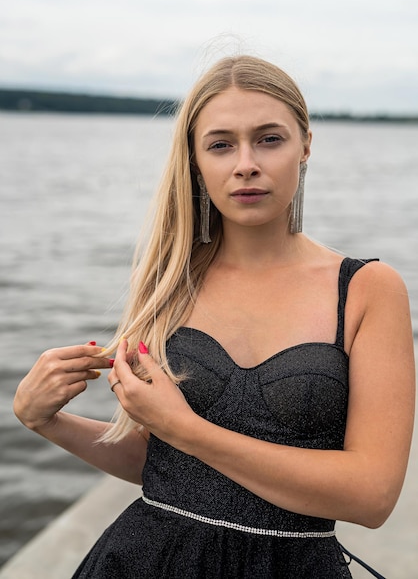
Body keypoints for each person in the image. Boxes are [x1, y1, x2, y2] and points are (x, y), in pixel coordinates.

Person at [14, 55, 415, 578]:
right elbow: (158, 464)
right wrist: (45, 420)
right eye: (221, 144)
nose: (245, 163)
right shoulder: (167, 282)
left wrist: (187, 429)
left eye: (269, 139)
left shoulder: (365, 290)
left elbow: (372, 496)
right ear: (196, 161)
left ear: (306, 146)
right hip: (144, 559)